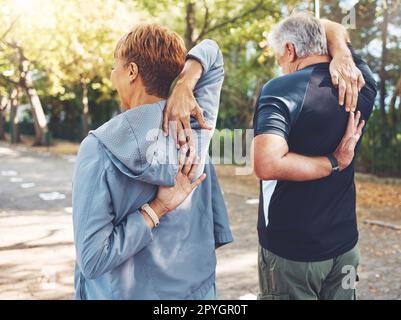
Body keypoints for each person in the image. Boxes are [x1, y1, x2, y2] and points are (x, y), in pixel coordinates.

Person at [72, 23, 232, 300]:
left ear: (132, 71)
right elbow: (212, 54)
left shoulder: (98, 148)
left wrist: (156, 209)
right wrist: (185, 83)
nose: (112, 76)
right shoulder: (195, 127)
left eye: (115, 67)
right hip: (196, 292)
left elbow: (94, 260)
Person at [252, 13, 377, 300]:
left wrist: (334, 161)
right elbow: (336, 28)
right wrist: (342, 53)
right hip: (344, 247)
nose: (280, 65)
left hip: (293, 252)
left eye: (278, 57)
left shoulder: (281, 88)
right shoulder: (363, 84)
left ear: (289, 50)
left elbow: (267, 164)